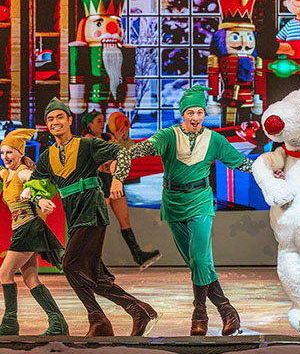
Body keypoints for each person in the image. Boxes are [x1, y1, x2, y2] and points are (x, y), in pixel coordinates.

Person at [113, 86, 253, 336]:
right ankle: (227, 310)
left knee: (199, 258)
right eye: (191, 112)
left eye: (200, 112)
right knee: (197, 262)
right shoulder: (168, 136)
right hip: (174, 203)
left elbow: (242, 163)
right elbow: (135, 151)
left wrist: (270, 170)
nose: (196, 117)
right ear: (183, 114)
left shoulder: (214, 140)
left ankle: (200, 313)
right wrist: (118, 174)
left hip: (201, 200)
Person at [26, 98, 159, 337]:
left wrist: (117, 179)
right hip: (73, 215)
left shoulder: (87, 145)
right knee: (94, 275)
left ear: (69, 120)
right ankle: (138, 310)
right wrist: (39, 199)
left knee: (70, 265)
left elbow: (122, 152)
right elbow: (34, 184)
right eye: (50, 119)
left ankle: (98, 319)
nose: (55, 122)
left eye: (59, 117)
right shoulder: (47, 156)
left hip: (91, 210)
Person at [0, 129, 68, 336]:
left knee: (4, 273)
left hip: (28, 228)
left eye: (10, 152)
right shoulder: (6, 174)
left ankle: (10, 322)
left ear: (20, 153)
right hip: (21, 228)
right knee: (30, 278)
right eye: (2, 153)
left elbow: (43, 180)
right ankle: (58, 323)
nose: (5, 157)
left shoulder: (23, 173)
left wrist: (33, 191)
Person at [81, 109, 161, 269]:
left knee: (124, 219)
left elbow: (124, 153)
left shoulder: (108, 137)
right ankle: (91, 259)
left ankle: (138, 255)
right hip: (99, 181)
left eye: (103, 120)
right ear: (90, 124)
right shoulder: (87, 140)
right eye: (98, 121)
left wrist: (124, 139)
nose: (102, 123)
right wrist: (116, 141)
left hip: (113, 180)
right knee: (98, 224)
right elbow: (103, 156)